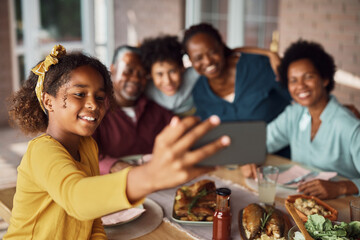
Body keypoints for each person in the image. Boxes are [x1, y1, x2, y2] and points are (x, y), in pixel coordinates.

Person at [4, 45, 231, 239]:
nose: (94, 104)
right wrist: (148, 176)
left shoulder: (88, 146)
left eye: (100, 97)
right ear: (48, 101)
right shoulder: (42, 150)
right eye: (80, 94)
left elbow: (92, 222)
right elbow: (78, 198)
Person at [241, 40, 360, 200]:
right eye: (293, 80)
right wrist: (248, 157)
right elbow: (261, 141)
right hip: (301, 203)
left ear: (325, 79)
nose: (301, 86)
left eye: (308, 77)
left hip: (344, 208)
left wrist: (341, 187)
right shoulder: (294, 113)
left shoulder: (349, 125)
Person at [182, 23, 292, 123]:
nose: (207, 61)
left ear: (221, 47)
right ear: (191, 61)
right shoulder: (199, 91)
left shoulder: (260, 67)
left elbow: (295, 101)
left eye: (212, 52)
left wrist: (269, 53)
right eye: (198, 58)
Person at [92, 45, 173, 174]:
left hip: (158, 183)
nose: (135, 79)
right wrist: (122, 167)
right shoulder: (94, 112)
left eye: (142, 74)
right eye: (128, 71)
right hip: (112, 185)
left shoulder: (160, 112)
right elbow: (86, 156)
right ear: (112, 69)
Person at [140, 35, 199, 117]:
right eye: (159, 74)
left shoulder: (194, 75)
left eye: (172, 71)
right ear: (150, 74)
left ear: (182, 68)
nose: (167, 81)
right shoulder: (145, 89)